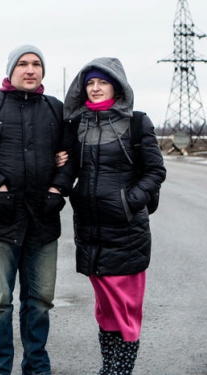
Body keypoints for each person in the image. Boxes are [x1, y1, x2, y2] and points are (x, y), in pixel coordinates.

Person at [0, 44, 74, 375]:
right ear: (11, 70)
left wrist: (57, 188)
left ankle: (37, 367)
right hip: (0, 219)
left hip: (43, 219)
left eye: (36, 64)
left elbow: (71, 156)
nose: (30, 70)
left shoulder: (55, 109)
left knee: (39, 301)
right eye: (23, 64)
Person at [61, 57, 166, 375]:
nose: (94, 88)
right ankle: (109, 367)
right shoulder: (78, 126)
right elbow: (70, 170)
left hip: (126, 232)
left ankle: (121, 370)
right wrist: (59, 178)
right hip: (91, 231)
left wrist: (128, 201)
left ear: (116, 86)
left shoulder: (137, 123)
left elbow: (155, 170)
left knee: (126, 309)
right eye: (89, 83)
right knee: (105, 308)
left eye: (101, 82)